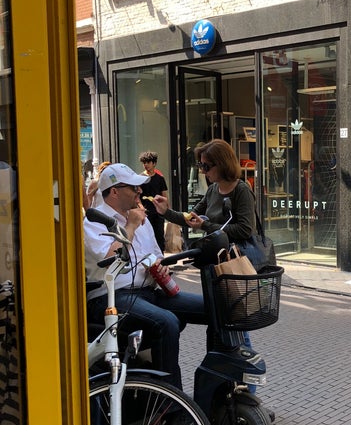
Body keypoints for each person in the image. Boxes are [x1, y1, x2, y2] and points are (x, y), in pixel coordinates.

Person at [83, 163, 208, 389]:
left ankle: (216, 387)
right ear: (114, 191)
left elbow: (156, 255)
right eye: (134, 188)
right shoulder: (93, 220)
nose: (140, 192)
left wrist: (161, 267)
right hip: (111, 297)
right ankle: (170, 407)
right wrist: (130, 226)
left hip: (147, 291)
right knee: (167, 322)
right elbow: (110, 261)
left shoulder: (141, 217)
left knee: (213, 307)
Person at [151, 139, 256, 244]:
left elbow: (245, 230)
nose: (202, 171)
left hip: (237, 256)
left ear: (222, 164)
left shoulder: (241, 190)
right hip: (216, 253)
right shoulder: (212, 189)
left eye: (206, 166)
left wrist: (205, 225)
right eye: (200, 165)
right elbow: (191, 217)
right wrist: (165, 211)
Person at [139, 151, 169, 252]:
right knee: (146, 236)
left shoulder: (160, 178)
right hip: (146, 211)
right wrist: (140, 207)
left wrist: (167, 210)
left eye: (148, 162)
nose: (145, 165)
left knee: (159, 235)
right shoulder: (140, 178)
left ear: (154, 163)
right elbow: (137, 195)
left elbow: (164, 194)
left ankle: (161, 259)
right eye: (144, 163)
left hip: (158, 212)